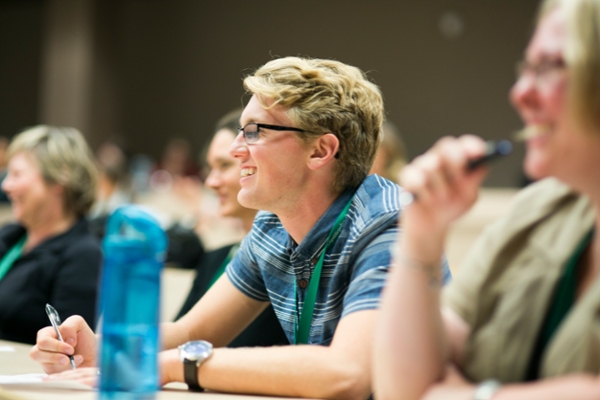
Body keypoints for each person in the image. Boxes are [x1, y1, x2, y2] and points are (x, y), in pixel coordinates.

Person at [31, 57, 446, 399]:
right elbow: (192, 330)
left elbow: (346, 374)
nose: (234, 148)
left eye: (254, 131)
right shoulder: (273, 225)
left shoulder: (390, 225)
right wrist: (102, 349)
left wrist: (174, 365)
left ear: (321, 150)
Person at [373, 0, 600, 399]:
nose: (519, 94)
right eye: (525, 70)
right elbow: (403, 389)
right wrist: (422, 234)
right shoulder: (536, 213)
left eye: (548, 68)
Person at [175, 108, 289, 347]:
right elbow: (183, 335)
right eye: (210, 168)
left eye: (224, 165)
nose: (211, 182)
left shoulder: (289, 259)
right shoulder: (216, 258)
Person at [0, 125, 101, 345]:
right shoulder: (11, 237)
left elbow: (69, 349)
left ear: (58, 179)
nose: (6, 185)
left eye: (16, 174)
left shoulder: (82, 256)